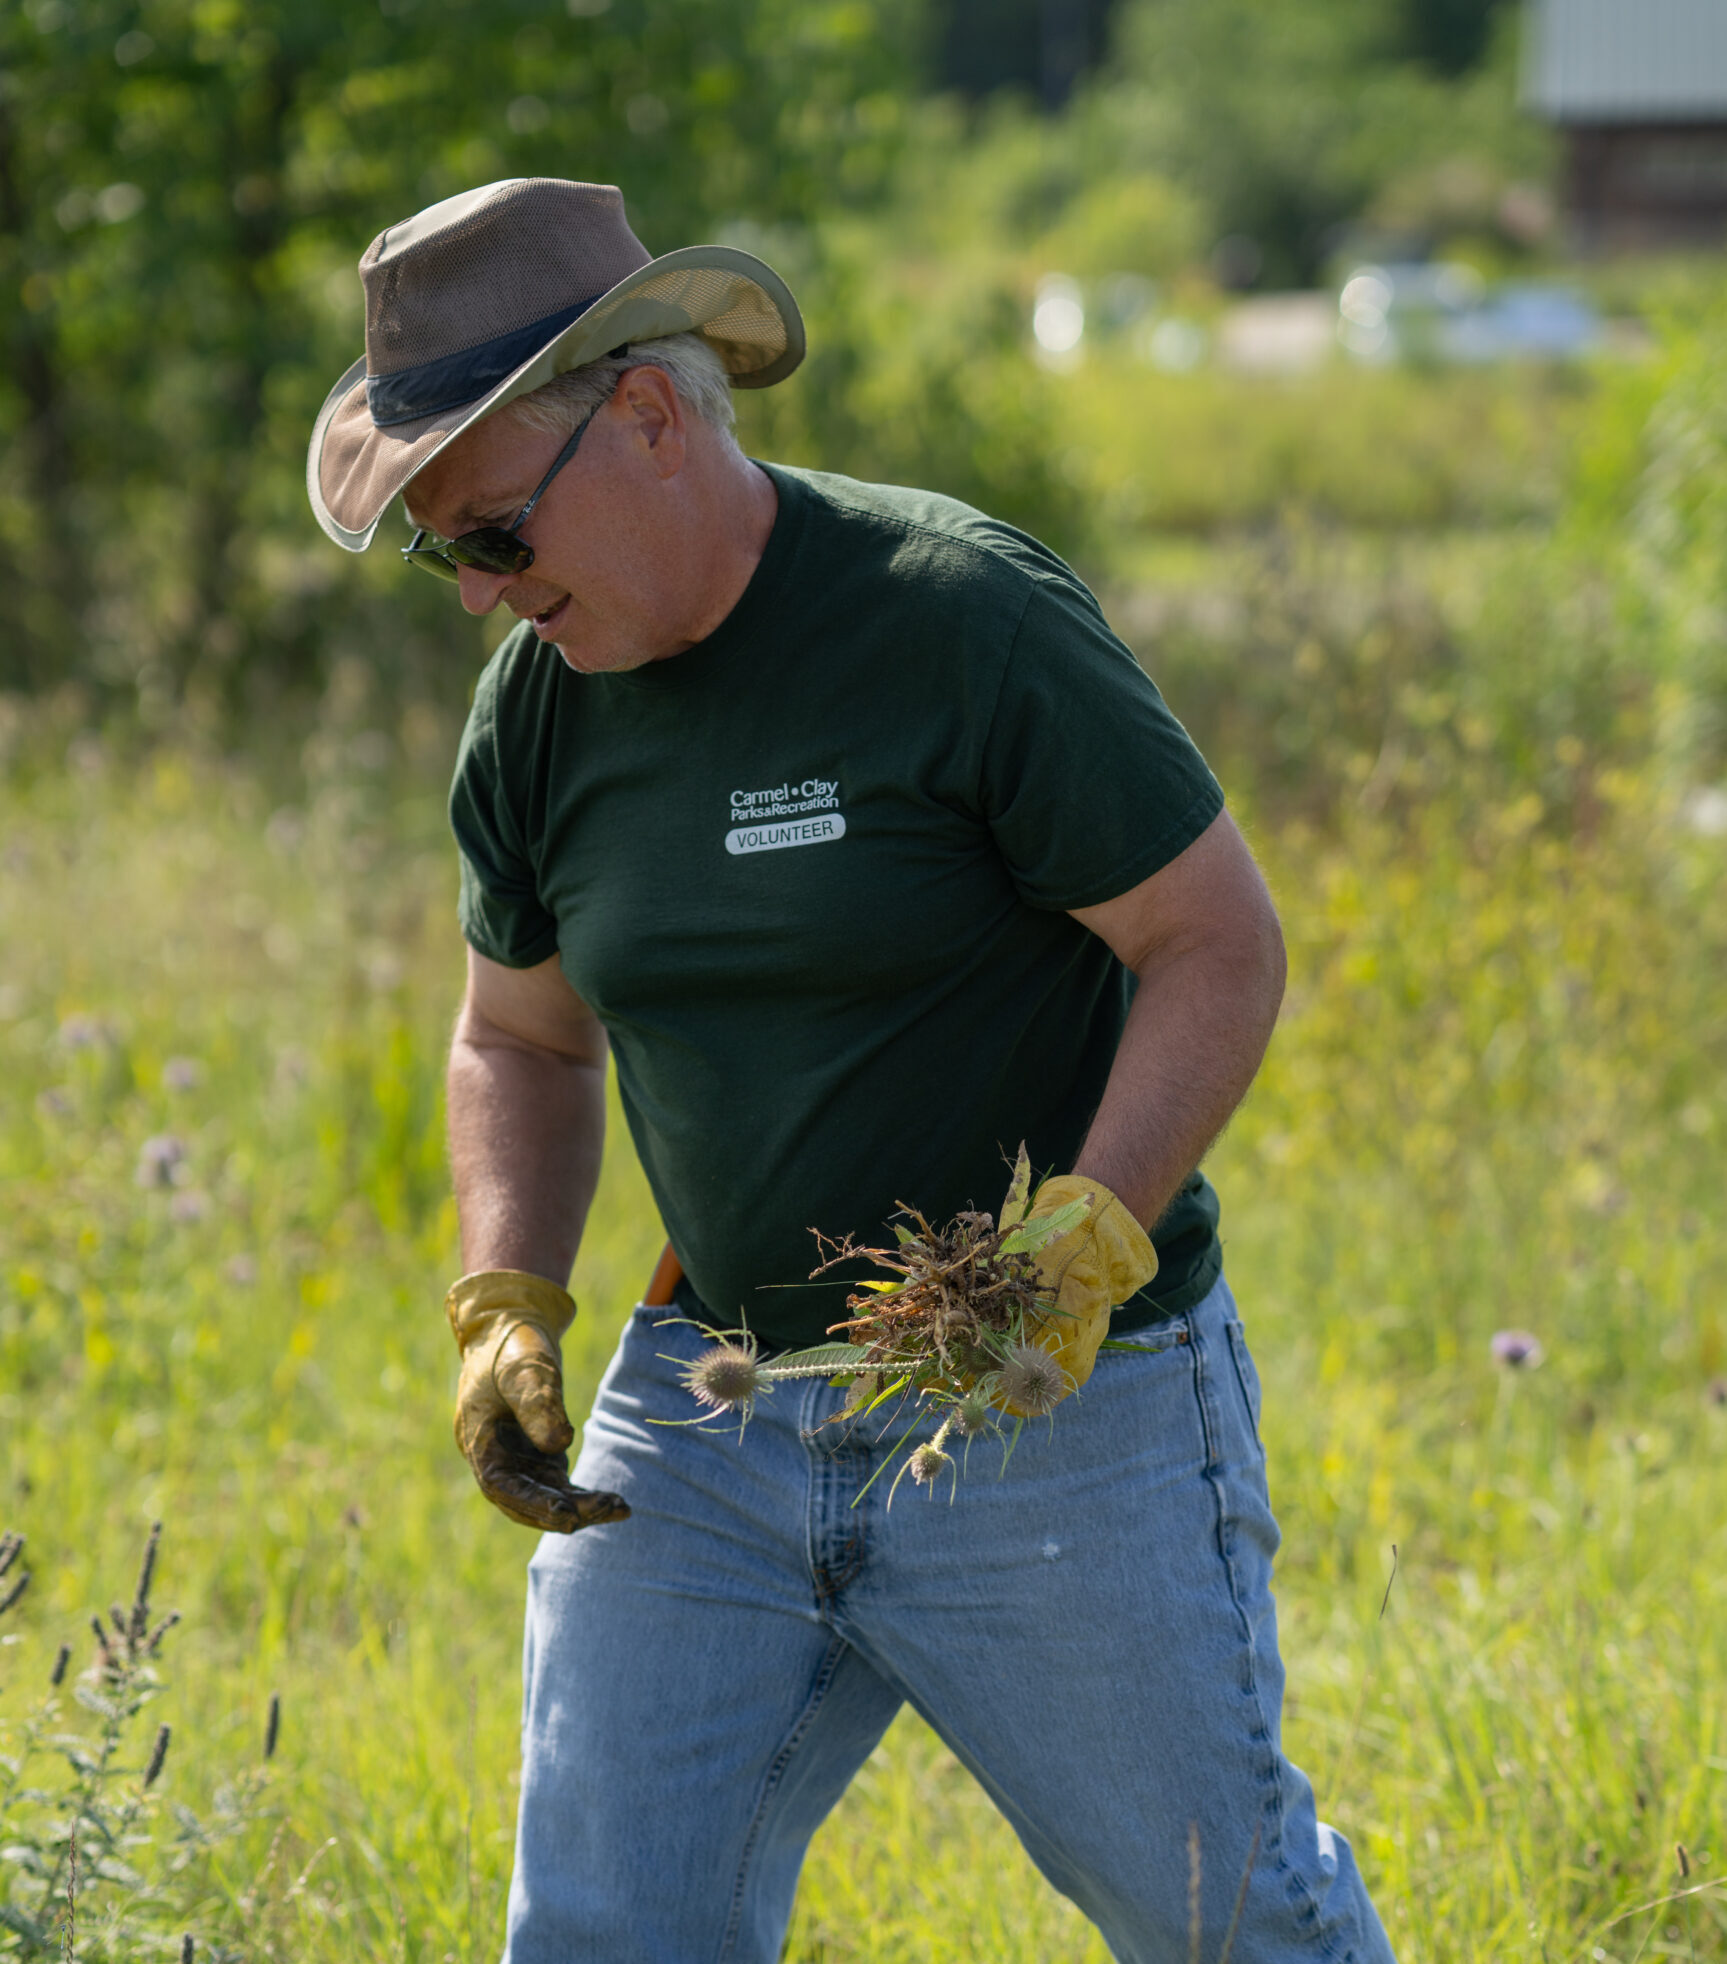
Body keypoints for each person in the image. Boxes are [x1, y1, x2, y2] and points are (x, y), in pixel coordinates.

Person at [307, 176, 1396, 1964]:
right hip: (712, 1409)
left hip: (1049, 1400)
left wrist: (1088, 1240)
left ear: (648, 413)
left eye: (496, 532)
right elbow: (518, 1033)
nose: (486, 600)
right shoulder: (542, 712)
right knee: (602, 1928)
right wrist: (506, 1295)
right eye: (449, 557)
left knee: (1218, 1919)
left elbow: (1217, 944)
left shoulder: (955, 618)